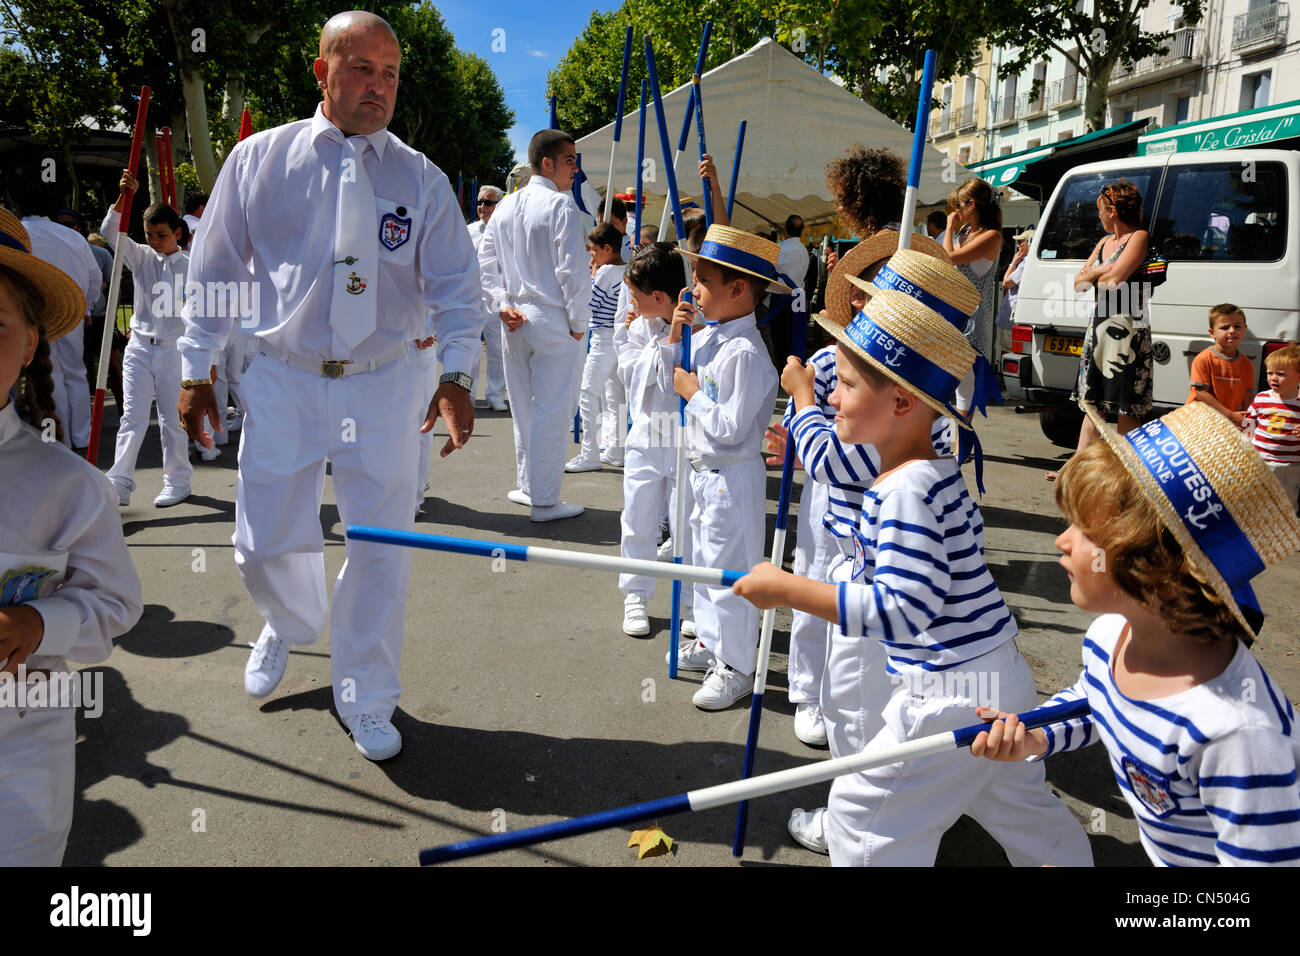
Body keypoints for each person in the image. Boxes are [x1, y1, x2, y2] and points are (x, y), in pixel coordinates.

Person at [177, 10, 485, 761]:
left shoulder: (421, 177)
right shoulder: (258, 160)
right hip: (283, 377)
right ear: (322, 71)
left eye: (389, 74)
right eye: (359, 68)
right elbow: (214, 270)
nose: (376, 86)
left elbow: (455, 285)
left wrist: (455, 373)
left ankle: (366, 696)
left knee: (381, 547)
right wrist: (195, 366)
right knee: (263, 543)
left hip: (382, 385)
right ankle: (287, 620)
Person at [735, 288, 1091, 866]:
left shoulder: (903, 491)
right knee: (1018, 805)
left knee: (863, 816)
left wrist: (786, 588)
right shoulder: (932, 472)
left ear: (901, 403)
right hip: (995, 671)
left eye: (846, 386)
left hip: (947, 689)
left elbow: (903, 610)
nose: (833, 397)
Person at [972, 401, 1300, 866]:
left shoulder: (1238, 737)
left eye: (1085, 532)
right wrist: (1037, 736)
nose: (1060, 541)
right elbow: (1099, 699)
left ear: (1155, 572)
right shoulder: (1110, 635)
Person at [0, 208, 143, 864]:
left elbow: (115, 606)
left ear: (31, 345)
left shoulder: (72, 487)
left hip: (22, 747)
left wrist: (39, 623)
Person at [663, 224, 781, 710]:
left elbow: (731, 426)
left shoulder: (747, 354)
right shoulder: (709, 338)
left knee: (730, 571)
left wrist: (692, 394)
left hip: (732, 475)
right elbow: (668, 377)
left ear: (738, 290)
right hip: (701, 471)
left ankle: (737, 664)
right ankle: (712, 641)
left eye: (704, 280)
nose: (694, 288)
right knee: (702, 566)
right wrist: (676, 337)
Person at [478, 129, 591, 522]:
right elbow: (573, 273)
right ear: (548, 163)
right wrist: (580, 323)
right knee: (551, 412)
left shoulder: (505, 208)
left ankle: (530, 487)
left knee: (525, 409)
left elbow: (485, 264)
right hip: (550, 316)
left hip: (515, 321)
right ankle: (544, 499)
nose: (575, 169)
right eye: (570, 160)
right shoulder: (561, 207)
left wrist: (501, 304)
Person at [1047, 179, 1152, 480]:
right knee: (1093, 401)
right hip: (1101, 325)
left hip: (1130, 327)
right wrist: (1102, 272)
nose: (1098, 217)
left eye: (1100, 211)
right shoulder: (1104, 243)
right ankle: (1077, 470)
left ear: (1112, 210)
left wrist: (1096, 272)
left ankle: (1128, 472)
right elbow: (1080, 285)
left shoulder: (1138, 237)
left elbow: (1111, 284)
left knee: (1127, 403)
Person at [614, 242, 693, 636]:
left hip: (683, 437)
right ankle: (636, 593)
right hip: (647, 432)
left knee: (688, 522)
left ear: (658, 296)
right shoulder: (637, 327)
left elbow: (682, 380)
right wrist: (667, 341)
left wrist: (678, 336)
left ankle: (694, 602)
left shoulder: (699, 327)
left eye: (635, 295)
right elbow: (631, 373)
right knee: (639, 518)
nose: (630, 302)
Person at [101, 175, 195, 507]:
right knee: (133, 416)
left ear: (177, 233)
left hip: (174, 351)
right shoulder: (140, 257)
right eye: (149, 235)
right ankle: (120, 480)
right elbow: (110, 232)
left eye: (161, 235)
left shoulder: (193, 265)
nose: (154, 241)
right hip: (139, 347)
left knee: (173, 419)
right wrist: (124, 194)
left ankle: (177, 480)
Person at [18, 194, 99, 449]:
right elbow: (94, 277)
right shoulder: (72, 237)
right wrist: (86, 306)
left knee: (48, 372)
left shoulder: (20, 233)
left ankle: (56, 437)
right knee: (76, 372)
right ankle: (82, 435)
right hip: (71, 309)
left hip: (35, 311)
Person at [568, 222, 625, 472]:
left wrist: (590, 277)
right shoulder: (626, 269)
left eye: (593, 250)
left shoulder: (605, 272)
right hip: (620, 338)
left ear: (607, 248)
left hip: (603, 337)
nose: (591, 254)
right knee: (615, 396)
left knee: (588, 394)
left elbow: (590, 303)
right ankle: (615, 448)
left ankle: (589, 452)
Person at [942, 178, 1001, 365]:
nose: (955, 211)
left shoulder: (991, 236)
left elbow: (947, 258)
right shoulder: (966, 231)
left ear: (972, 204)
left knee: (967, 383)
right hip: (955, 312)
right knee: (955, 382)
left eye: (958, 205)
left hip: (972, 317)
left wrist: (949, 227)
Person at [1242, 344, 1300, 514]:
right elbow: (1249, 422)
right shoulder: (1262, 398)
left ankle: (1285, 529)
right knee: (1256, 497)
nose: (1273, 378)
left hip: (1290, 465)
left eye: (1281, 374)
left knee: (1286, 503)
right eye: (1270, 373)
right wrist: (1244, 446)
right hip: (1261, 459)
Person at [466, 185, 508, 411]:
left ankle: (495, 394)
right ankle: (468, 395)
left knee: (497, 349)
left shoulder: (506, 231)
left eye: (488, 202)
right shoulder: (469, 231)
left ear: (498, 205)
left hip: (497, 298)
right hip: (472, 298)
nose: (482, 207)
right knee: (470, 348)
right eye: (480, 202)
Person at [1186, 303, 1253, 426]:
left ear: (1245, 329)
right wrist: (1231, 416)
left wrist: (1250, 420)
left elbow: (1247, 397)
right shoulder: (1204, 359)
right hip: (1200, 422)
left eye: (1237, 326)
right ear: (1212, 333)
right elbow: (1201, 394)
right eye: (1225, 327)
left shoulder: (1246, 364)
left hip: (1226, 423)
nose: (1232, 331)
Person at [994, 227, 1032, 362]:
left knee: (1009, 353)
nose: (1018, 245)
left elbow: (1006, 282)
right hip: (1014, 317)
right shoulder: (1027, 262)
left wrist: (1013, 263)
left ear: (1029, 244)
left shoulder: (1025, 263)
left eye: (1021, 242)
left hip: (1012, 318)